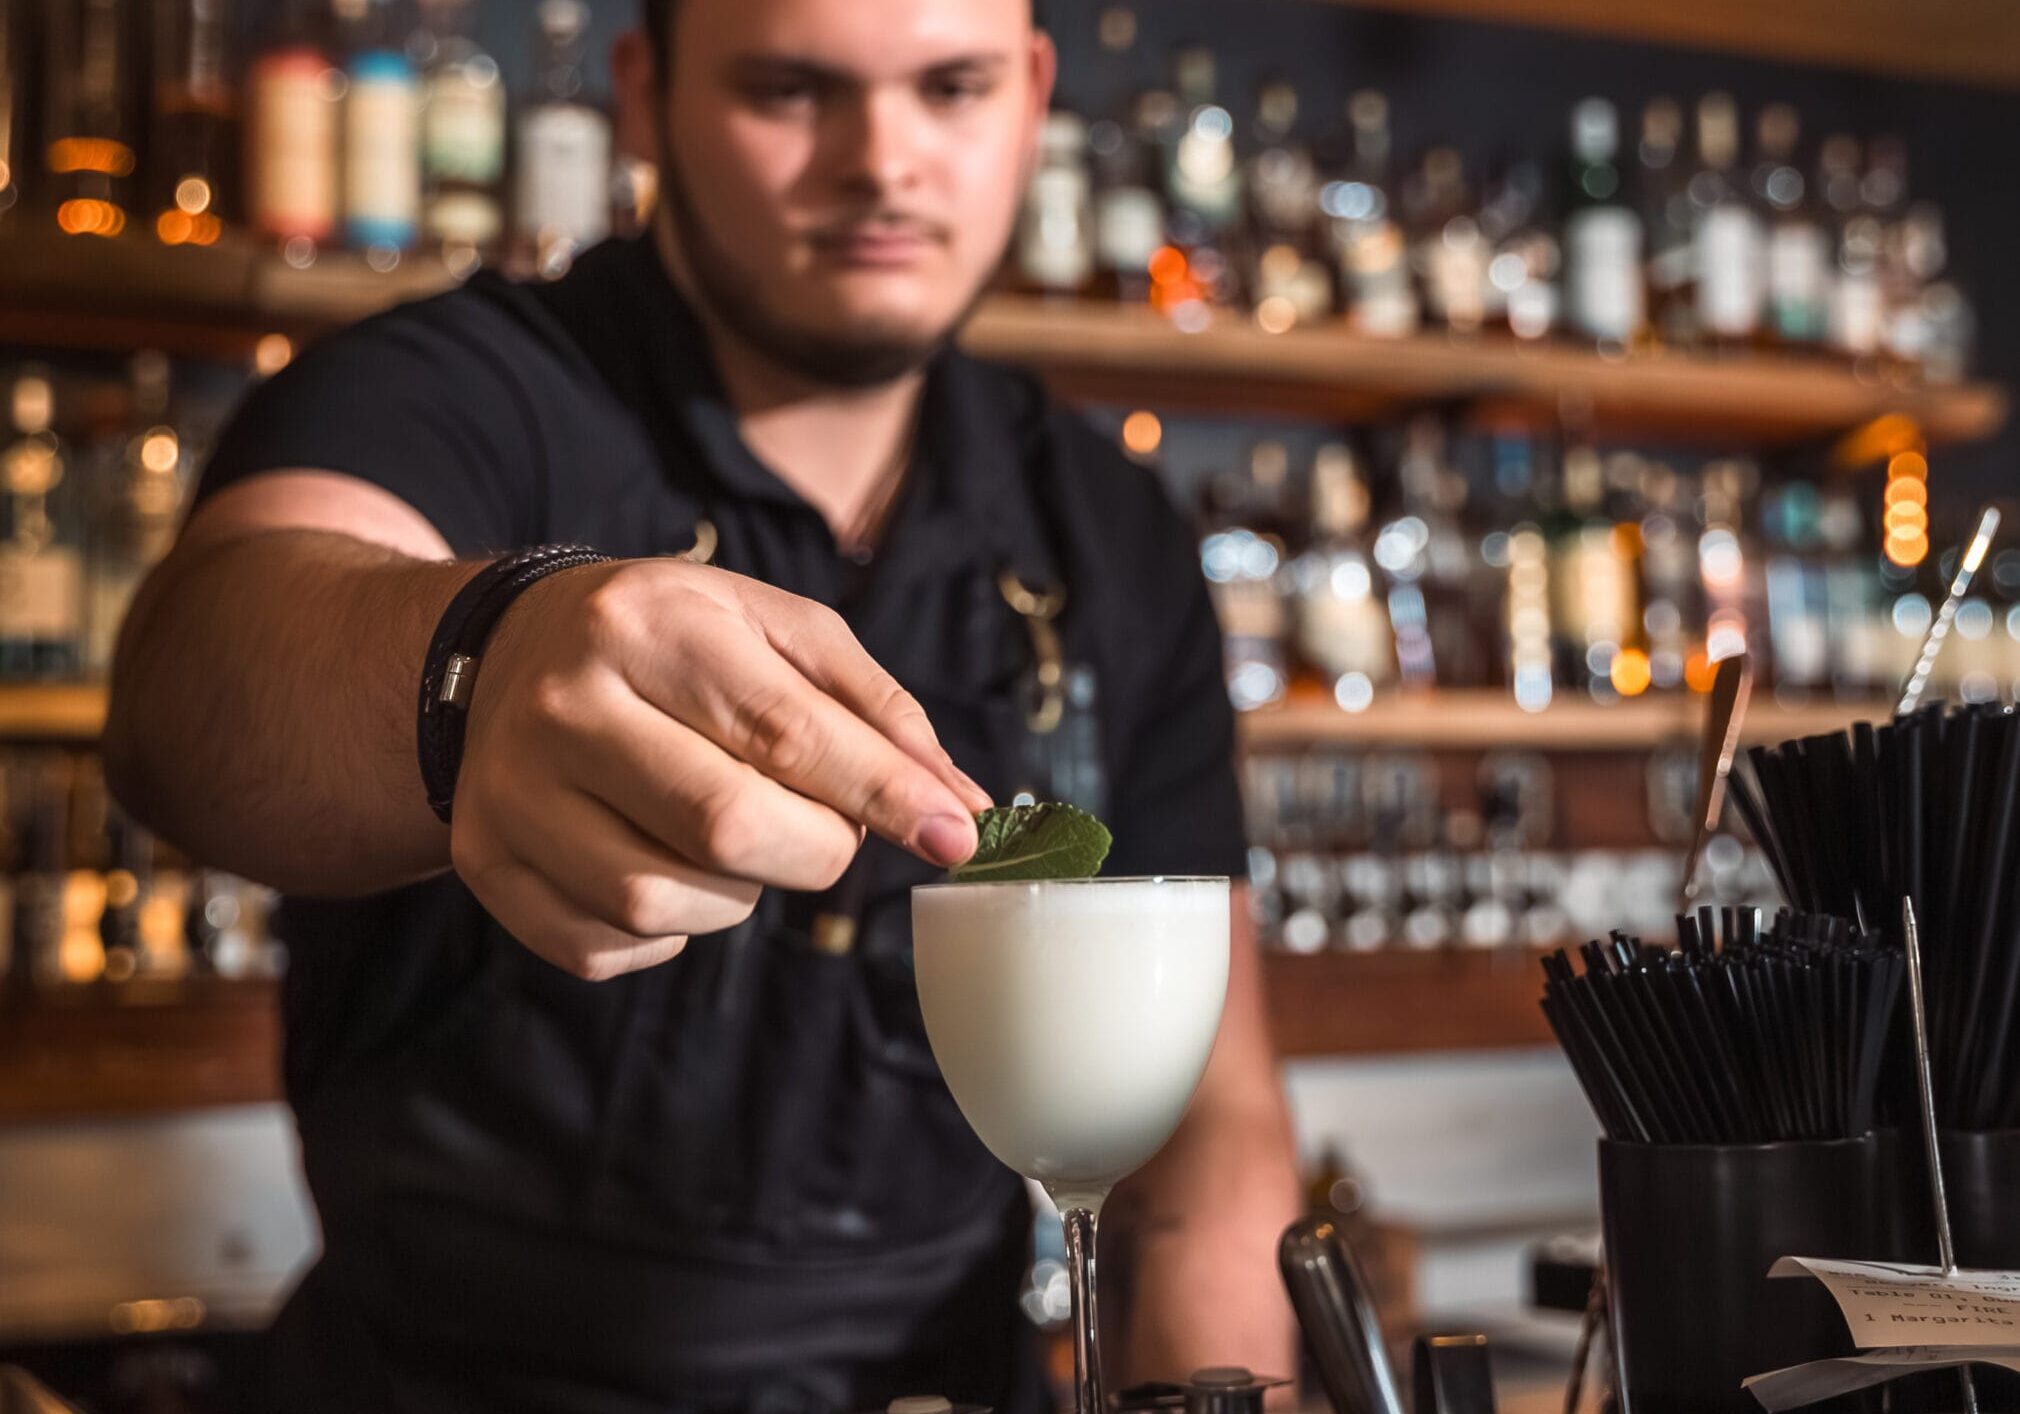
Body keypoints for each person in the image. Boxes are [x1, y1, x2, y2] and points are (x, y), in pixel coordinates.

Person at [103, 0, 1301, 1408]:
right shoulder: (452, 394)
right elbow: (193, 683)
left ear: (1033, 95)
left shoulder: (1104, 525)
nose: (883, 160)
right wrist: (479, 656)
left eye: (953, 87)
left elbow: (1205, 1127)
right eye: (793, 89)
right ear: (642, 93)